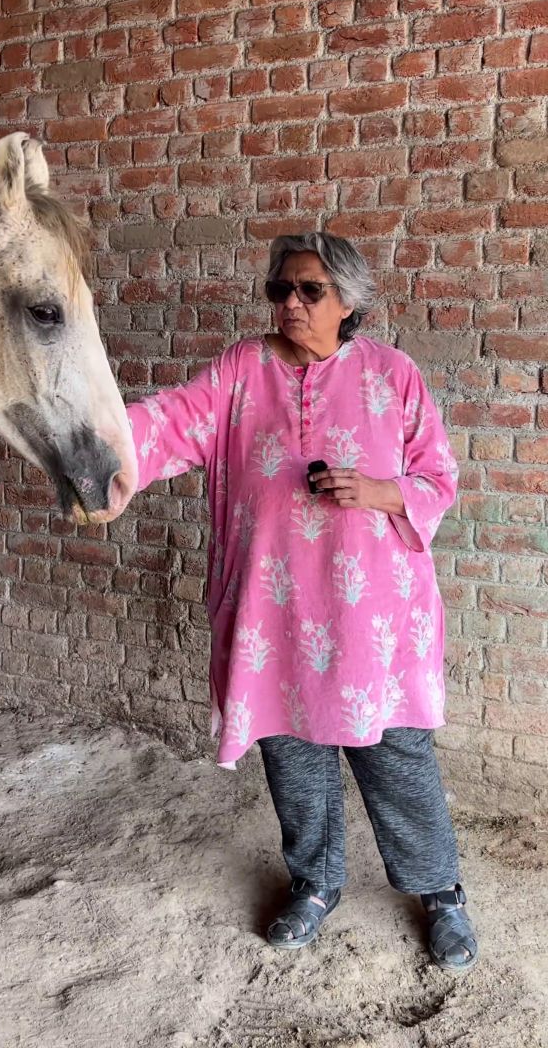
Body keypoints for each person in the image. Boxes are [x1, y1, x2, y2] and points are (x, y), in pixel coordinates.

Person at [125, 231, 478, 972]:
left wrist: (379, 491)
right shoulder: (241, 369)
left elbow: (439, 478)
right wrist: (98, 437)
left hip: (374, 616)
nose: (291, 302)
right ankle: (315, 884)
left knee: (396, 753)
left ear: (348, 300)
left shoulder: (392, 374)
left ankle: (439, 892)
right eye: (280, 288)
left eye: (310, 290)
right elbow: (173, 420)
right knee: (292, 751)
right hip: (275, 610)